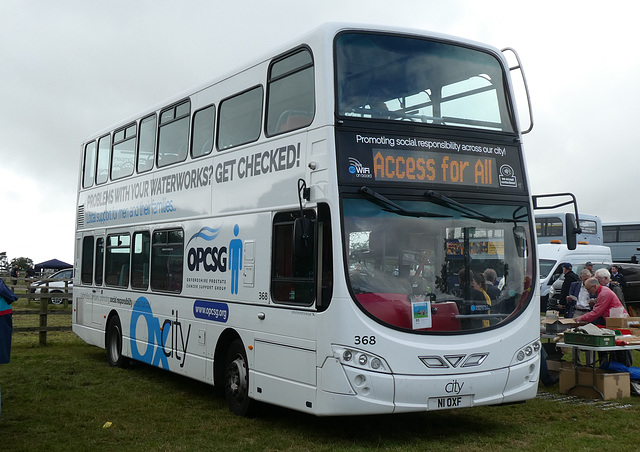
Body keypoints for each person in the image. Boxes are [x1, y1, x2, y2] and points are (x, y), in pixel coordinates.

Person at [0, 277, 18, 364]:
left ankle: (3, 358)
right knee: (4, 337)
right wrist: (11, 297)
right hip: (4, 311)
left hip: (3, 311)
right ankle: (3, 358)